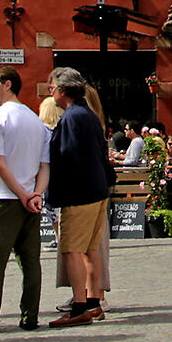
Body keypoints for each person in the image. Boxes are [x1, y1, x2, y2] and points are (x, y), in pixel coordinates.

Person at [0, 67, 49, 330]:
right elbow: (44, 166)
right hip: (29, 202)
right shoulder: (35, 120)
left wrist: (24, 194)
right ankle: (30, 315)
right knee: (30, 262)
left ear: (7, 84)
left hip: (2, 198)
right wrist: (35, 194)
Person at [44, 67, 112, 325]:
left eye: (52, 89)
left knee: (71, 250)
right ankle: (94, 303)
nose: (52, 93)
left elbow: (69, 155)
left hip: (79, 194)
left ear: (62, 91)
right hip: (96, 190)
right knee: (90, 250)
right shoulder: (89, 114)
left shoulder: (73, 116)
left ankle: (79, 307)